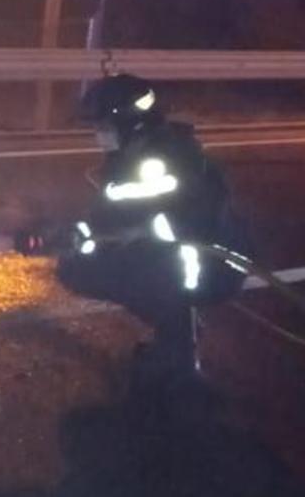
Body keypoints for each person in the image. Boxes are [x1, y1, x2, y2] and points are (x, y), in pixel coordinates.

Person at [19, 75, 246, 383]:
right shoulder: (139, 155)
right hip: (188, 258)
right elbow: (110, 217)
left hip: (207, 267)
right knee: (78, 266)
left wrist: (94, 235)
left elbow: (149, 220)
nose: (97, 136)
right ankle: (177, 324)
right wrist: (65, 233)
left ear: (130, 124)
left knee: (102, 269)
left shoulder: (162, 164)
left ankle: (179, 353)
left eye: (103, 128)